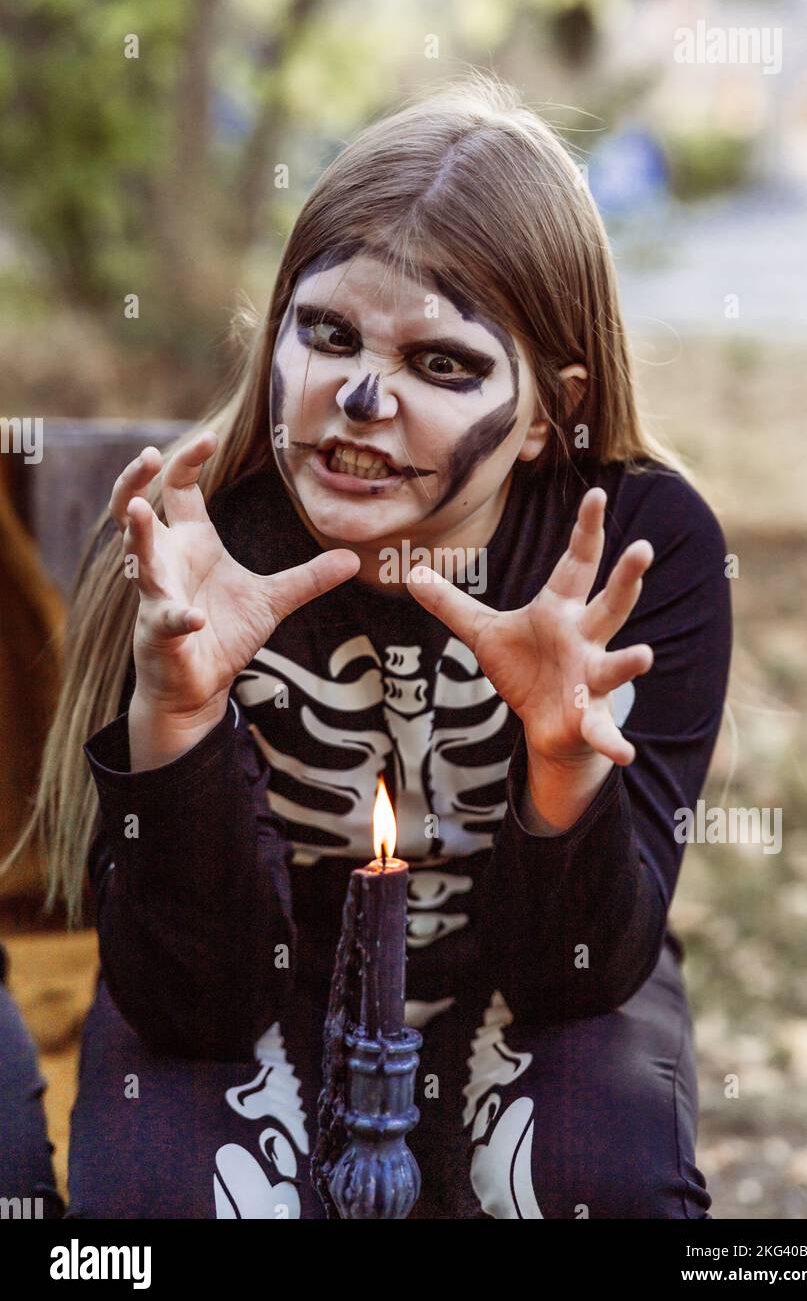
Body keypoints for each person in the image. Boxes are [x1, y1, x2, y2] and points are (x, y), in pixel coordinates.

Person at [12, 73, 731, 1219]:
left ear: (548, 408)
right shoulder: (194, 543)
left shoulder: (635, 546)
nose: (357, 395)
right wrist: (180, 723)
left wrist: (559, 776)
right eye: (327, 332)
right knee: (157, 1206)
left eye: (439, 364)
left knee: (601, 1179)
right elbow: (186, 1001)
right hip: (247, 989)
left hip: (525, 984)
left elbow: (580, 975)